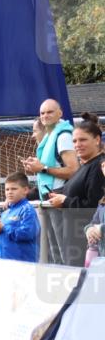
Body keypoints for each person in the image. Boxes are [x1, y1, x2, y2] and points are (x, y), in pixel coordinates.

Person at [43, 112, 105, 266]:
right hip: (74, 239)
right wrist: (56, 195)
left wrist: (65, 201)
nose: (77, 145)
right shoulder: (85, 166)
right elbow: (74, 191)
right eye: (74, 141)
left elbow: (93, 206)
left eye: (83, 140)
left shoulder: (99, 167)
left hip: (87, 243)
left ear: (97, 140)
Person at [0, 172, 40, 263]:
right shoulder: (6, 212)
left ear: (25, 190)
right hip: (4, 262)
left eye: (14, 189)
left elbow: (28, 233)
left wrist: (3, 228)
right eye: (7, 189)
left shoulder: (27, 210)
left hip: (23, 264)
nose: (9, 192)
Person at [85, 184, 105, 264]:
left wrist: (101, 228)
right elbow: (93, 222)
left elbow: (100, 227)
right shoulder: (102, 202)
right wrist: (89, 229)